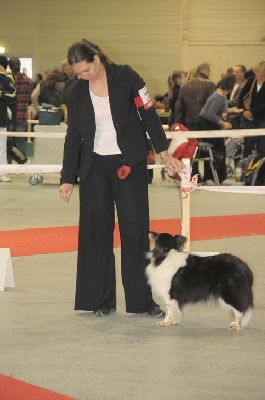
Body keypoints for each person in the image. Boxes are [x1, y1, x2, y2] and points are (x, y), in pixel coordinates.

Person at [59, 38, 184, 317]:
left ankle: (141, 302)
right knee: (96, 233)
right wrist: (68, 177)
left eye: (85, 70)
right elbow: (73, 136)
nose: (82, 77)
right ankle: (99, 300)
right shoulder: (76, 91)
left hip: (130, 163)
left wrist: (164, 153)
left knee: (135, 231)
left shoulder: (127, 78)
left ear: (97, 59)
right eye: (78, 73)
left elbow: (150, 116)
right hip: (94, 168)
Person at [197, 74, 243, 184]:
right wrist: (223, 123)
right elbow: (210, 113)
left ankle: (219, 177)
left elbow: (221, 108)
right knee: (214, 151)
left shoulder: (219, 94)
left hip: (209, 122)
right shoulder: (219, 96)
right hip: (208, 124)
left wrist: (233, 110)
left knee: (219, 150)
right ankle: (211, 177)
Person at [174, 62, 216, 130]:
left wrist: (178, 124)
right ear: (206, 70)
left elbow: (179, 107)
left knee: (193, 140)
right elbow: (214, 105)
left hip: (189, 121)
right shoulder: (210, 84)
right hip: (206, 122)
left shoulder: (185, 86)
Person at [238, 60, 265, 159]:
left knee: (262, 145)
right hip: (249, 118)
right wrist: (244, 111)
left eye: (260, 72)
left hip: (262, 118)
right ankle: (245, 167)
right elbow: (241, 97)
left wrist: (252, 112)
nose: (258, 74)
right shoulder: (250, 81)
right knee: (248, 143)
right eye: (256, 72)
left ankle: (260, 170)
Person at [8, 58, 33, 158]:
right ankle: (22, 163)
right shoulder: (28, 80)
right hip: (22, 115)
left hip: (10, 116)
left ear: (9, 67)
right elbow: (30, 97)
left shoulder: (9, 80)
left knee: (8, 141)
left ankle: (8, 165)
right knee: (20, 140)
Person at [0, 56, 17, 182]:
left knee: (2, 147)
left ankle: (3, 172)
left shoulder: (5, 79)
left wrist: (2, 94)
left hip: (1, 119)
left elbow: (13, 96)